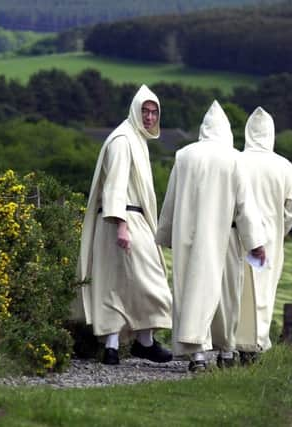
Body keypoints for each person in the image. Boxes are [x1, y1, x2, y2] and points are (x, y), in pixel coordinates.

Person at [156, 100, 266, 372]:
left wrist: (166, 234)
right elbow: (245, 205)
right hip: (225, 237)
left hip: (189, 236)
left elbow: (171, 198)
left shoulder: (184, 156)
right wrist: (255, 243)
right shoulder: (234, 158)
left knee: (192, 290)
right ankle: (226, 349)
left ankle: (197, 354)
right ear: (227, 131)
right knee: (226, 294)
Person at [74, 84, 173, 365]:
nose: (150, 117)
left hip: (128, 219)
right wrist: (121, 225)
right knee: (151, 281)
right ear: (135, 110)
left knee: (118, 282)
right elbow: (115, 186)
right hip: (123, 219)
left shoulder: (135, 140)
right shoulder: (122, 140)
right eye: (145, 111)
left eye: (154, 112)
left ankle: (116, 347)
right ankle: (141, 342)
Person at [234, 107, 292, 364]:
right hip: (270, 239)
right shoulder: (283, 166)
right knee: (264, 292)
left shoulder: (236, 160)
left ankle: (234, 341)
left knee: (238, 290)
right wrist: (278, 229)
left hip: (238, 236)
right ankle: (257, 343)